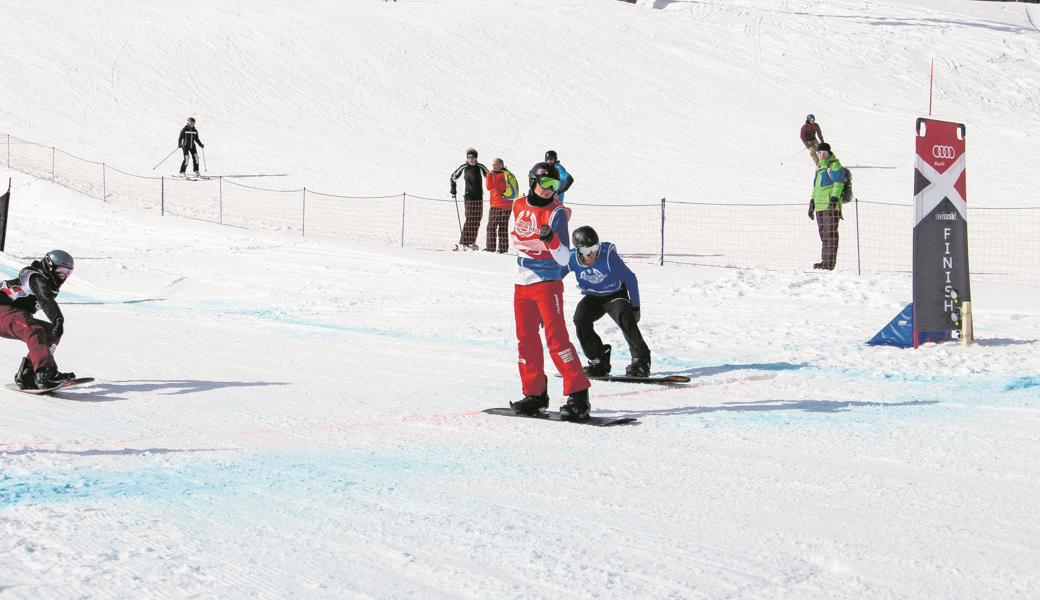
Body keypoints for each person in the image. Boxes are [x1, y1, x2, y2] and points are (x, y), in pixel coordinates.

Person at [509, 162, 592, 421]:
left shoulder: (556, 213)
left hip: (547, 283)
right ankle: (535, 393)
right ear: (533, 180)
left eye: (554, 186)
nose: (549, 190)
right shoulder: (518, 205)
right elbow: (515, 239)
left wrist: (550, 240)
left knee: (557, 339)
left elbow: (564, 257)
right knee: (526, 339)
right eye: (544, 184)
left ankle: (578, 394)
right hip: (522, 281)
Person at [564, 226, 651, 377]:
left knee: (625, 318)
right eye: (585, 250)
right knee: (580, 319)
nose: (591, 254)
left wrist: (635, 307)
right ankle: (599, 359)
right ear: (578, 251)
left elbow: (630, 278)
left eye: (594, 248)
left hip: (615, 293)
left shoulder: (607, 255)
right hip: (593, 297)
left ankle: (641, 361)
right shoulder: (572, 259)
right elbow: (554, 279)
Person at [0, 250, 77, 389]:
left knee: (51, 332)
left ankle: (28, 373)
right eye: (60, 270)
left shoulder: (49, 285)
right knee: (33, 330)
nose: (63, 276)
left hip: (14, 314)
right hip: (3, 310)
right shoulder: (35, 276)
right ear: (49, 265)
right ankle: (45, 373)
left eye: (67, 273)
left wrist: (56, 324)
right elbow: (45, 299)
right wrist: (58, 319)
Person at [807, 142, 846, 270]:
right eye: (819, 153)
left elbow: (839, 183)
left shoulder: (834, 165)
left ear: (829, 153)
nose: (821, 155)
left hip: (830, 205)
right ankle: (825, 262)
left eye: (823, 152)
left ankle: (829, 264)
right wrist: (812, 202)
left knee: (830, 234)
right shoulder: (819, 167)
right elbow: (816, 187)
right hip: (820, 206)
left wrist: (834, 198)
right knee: (824, 235)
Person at [449, 148, 489, 250]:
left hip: (479, 197)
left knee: (477, 219)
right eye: (469, 157)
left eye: (473, 157)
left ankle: (472, 241)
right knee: (470, 218)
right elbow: (453, 176)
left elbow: (490, 177)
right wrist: (453, 189)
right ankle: (463, 242)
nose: (470, 159)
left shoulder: (480, 167)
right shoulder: (464, 167)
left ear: (476, 158)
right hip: (469, 197)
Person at [484, 158, 517, 253]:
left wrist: (489, 174)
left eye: (495, 164)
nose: (493, 166)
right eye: (493, 165)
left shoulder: (498, 175)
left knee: (491, 226)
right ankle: (503, 249)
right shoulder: (509, 174)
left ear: (501, 165)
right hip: (508, 205)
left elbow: (489, 186)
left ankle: (491, 248)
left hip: (497, 204)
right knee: (503, 227)